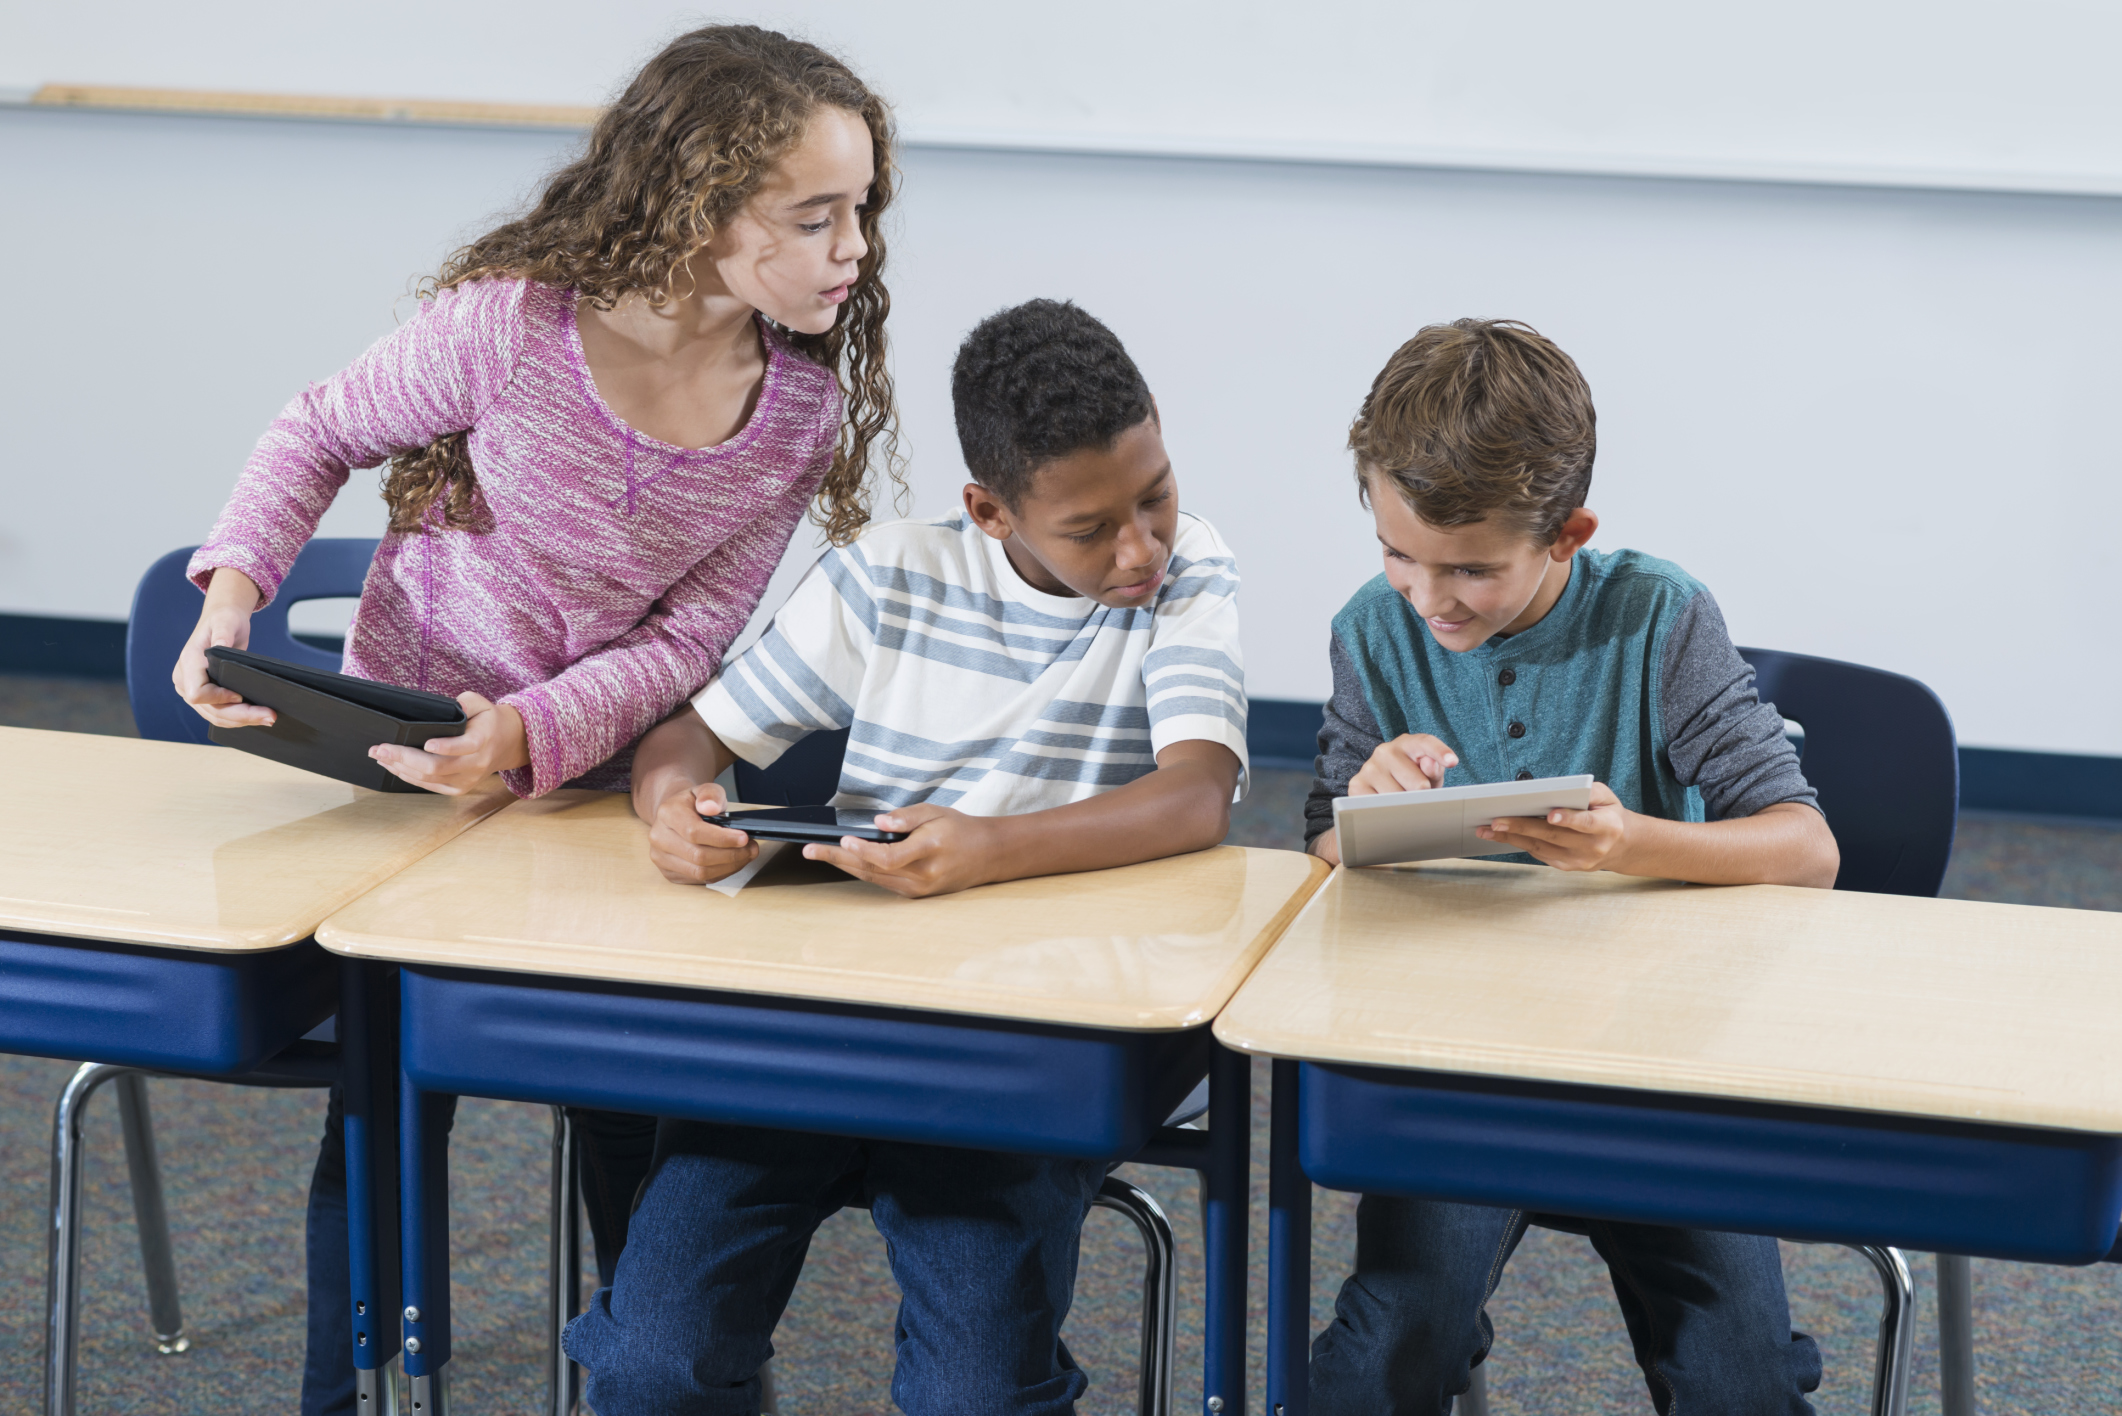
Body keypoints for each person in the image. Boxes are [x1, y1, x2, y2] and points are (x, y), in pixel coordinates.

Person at [170, 26, 901, 1414]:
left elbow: (689, 641)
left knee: (623, 1101)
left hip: (590, 794)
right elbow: (314, 430)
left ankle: (655, 1385)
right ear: (701, 207)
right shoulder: (510, 330)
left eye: (862, 209)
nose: (855, 247)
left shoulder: (794, 416)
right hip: (400, 775)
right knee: (382, 1109)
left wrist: (527, 731)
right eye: (816, 216)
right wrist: (234, 595)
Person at [561, 299, 1248, 1414]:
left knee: (973, 1394)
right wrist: (670, 807)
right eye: (1089, 529)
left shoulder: (1189, 570)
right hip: (827, 1025)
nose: (1140, 547)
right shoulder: (887, 573)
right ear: (989, 510)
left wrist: (990, 849)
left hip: (1025, 1049)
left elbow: (1196, 795)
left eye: (1154, 496)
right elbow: (689, 738)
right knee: (650, 1361)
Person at [1304, 318, 1839, 1415]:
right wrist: (1359, 810)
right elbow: (1318, 847)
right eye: (1398, 554)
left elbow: (1806, 847)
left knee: (1740, 1381)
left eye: (1471, 569)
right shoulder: (1370, 630)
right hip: (1457, 1061)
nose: (1429, 598)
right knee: (1381, 1362)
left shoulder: (1657, 616)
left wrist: (1632, 843)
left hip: (1656, 1059)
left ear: (1567, 535)